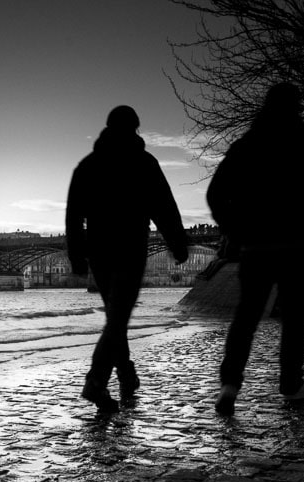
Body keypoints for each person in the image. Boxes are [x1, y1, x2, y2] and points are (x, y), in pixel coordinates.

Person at [206, 83, 304, 416]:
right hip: (294, 244)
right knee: (294, 319)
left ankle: (230, 384)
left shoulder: (245, 146)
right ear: (297, 108)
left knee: (246, 317)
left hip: (255, 247)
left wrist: (236, 231)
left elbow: (215, 194)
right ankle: (291, 384)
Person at [66, 105, 189, 413]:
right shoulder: (144, 162)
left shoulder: (88, 165)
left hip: (98, 249)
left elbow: (73, 216)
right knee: (119, 316)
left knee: (115, 316)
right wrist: (177, 243)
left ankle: (126, 372)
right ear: (135, 129)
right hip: (131, 246)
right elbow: (164, 206)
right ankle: (96, 381)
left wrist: (77, 255)